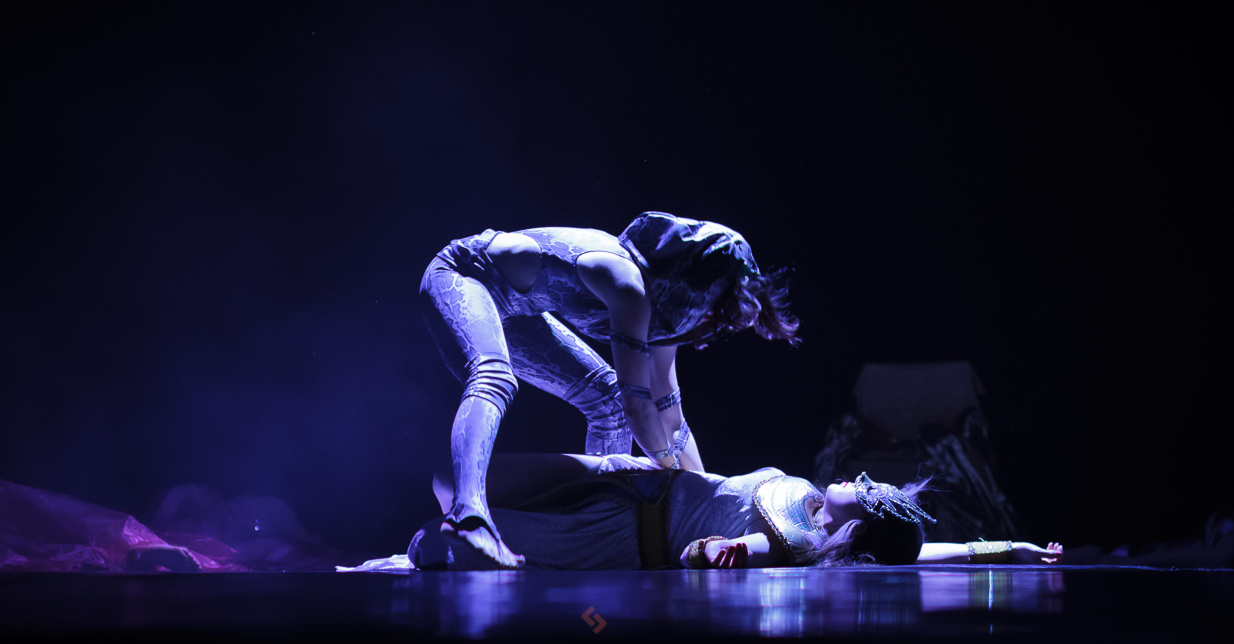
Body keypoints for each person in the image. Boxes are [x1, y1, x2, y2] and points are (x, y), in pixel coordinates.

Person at [419, 213, 799, 567]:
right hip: (461, 277)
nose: (712, 322)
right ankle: (469, 515)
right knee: (494, 376)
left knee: (607, 403)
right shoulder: (628, 285)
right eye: (716, 308)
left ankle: (591, 515)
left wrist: (704, 489)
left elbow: (670, 415)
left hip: (516, 313)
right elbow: (638, 408)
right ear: (697, 284)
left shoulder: (664, 320)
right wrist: (671, 472)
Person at [410, 453, 1064, 570]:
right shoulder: (812, 501)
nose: (860, 476)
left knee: (438, 540)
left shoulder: (798, 541)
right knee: (455, 478)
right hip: (630, 484)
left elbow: (747, 550)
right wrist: (1008, 547)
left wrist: (719, 552)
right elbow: (934, 552)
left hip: (613, 533)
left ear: (859, 525)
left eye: (866, 490)